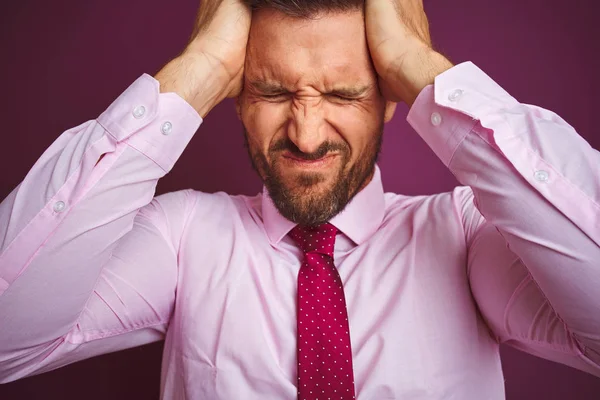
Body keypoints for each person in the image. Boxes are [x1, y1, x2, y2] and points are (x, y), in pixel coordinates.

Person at [0, 0, 599, 398]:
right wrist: (200, 66)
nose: (306, 134)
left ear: (393, 95)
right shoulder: (182, 237)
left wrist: (421, 67)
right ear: (234, 93)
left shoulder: (465, 233)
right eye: (271, 90)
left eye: (342, 94)